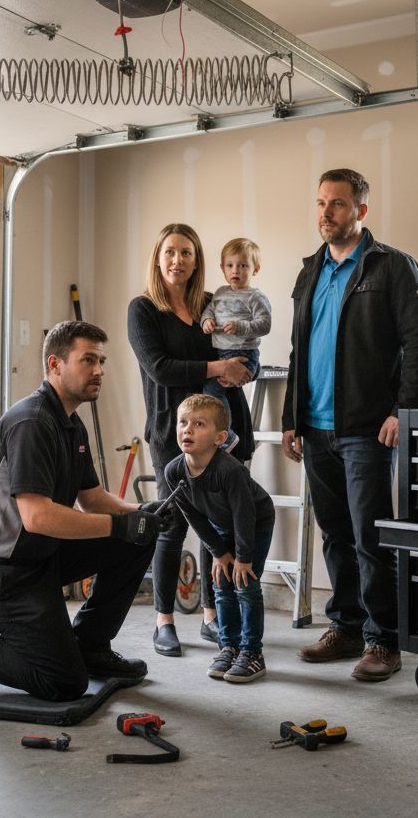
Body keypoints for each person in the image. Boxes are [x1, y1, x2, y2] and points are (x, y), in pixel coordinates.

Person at [0, 321, 172, 702]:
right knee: (62, 682)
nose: (99, 370)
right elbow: (38, 517)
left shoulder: (70, 424)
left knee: (139, 537)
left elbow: (93, 500)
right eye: (88, 360)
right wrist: (121, 525)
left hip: (40, 556)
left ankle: (91, 646)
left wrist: (144, 512)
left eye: (102, 361)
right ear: (55, 364)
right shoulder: (32, 422)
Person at [281, 168, 418, 682]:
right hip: (317, 428)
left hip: (367, 428)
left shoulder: (392, 267)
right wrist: (292, 419)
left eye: (338, 204)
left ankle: (383, 640)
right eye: (321, 203)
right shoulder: (310, 271)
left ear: (361, 211)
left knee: (371, 537)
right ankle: (346, 627)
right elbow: (298, 350)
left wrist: (402, 411)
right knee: (335, 534)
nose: (326, 213)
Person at [127, 223, 255, 658]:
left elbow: (238, 347)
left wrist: (241, 367)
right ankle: (164, 619)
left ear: (197, 260)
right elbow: (160, 367)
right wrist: (218, 369)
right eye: (170, 252)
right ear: (157, 258)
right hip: (173, 433)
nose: (177, 260)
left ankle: (210, 615)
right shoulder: (143, 309)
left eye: (186, 252)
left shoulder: (209, 304)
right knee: (173, 525)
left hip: (222, 427)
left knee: (216, 526)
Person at [164, 394, 275, 683]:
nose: (187, 429)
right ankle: (229, 646)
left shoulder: (231, 470)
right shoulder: (174, 471)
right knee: (221, 585)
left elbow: (244, 515)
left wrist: (243, 557)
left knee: (245, 585)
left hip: (255, 523)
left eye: (199, 424)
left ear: (220, 437)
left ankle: (252, 653)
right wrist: (218, 551)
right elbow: (193, 516)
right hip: (221, 525)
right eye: (183, 423)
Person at [201, 238, 273, 453]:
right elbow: (209, 310)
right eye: (230, 265)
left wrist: (241, 326)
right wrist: (207, 321)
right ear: (223, 268)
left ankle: (227, 436)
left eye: (243, 266)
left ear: (255, 269)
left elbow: (265, 324)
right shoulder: (220, 293)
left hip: (243, 354)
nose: (236, 271)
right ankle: (225, 434)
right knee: (214, 393)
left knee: (211, 392)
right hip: (222, 354)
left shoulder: (255, 296)